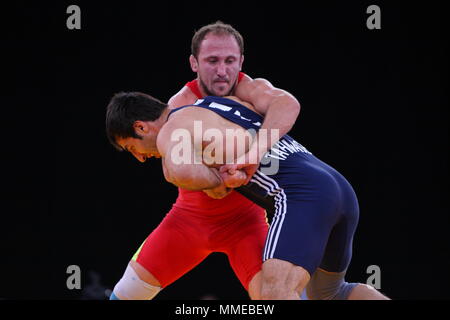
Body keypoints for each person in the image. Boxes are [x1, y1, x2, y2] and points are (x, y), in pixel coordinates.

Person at [105, 92, 389, 300]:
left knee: (274, 295)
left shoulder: (172, 129)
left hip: (304, 195)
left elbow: (178, 173)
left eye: (133, 148)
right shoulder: (219, 105)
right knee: (332, 294)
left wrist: (217, 181)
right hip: (338, 186)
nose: (141, 158)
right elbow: (284, 103)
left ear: (141, 127)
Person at [107, 21, 302, 300]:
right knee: (124, 294)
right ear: (194, 63)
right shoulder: (178, 107)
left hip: (246, 223)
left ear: (240, 62)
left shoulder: (248, 90)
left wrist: (256, 151)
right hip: (189, 221)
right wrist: (221, 179)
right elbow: (179, 171)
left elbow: (286, 103)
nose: (221, 71)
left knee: (276, 296)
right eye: (212, 61)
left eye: (229, 61)